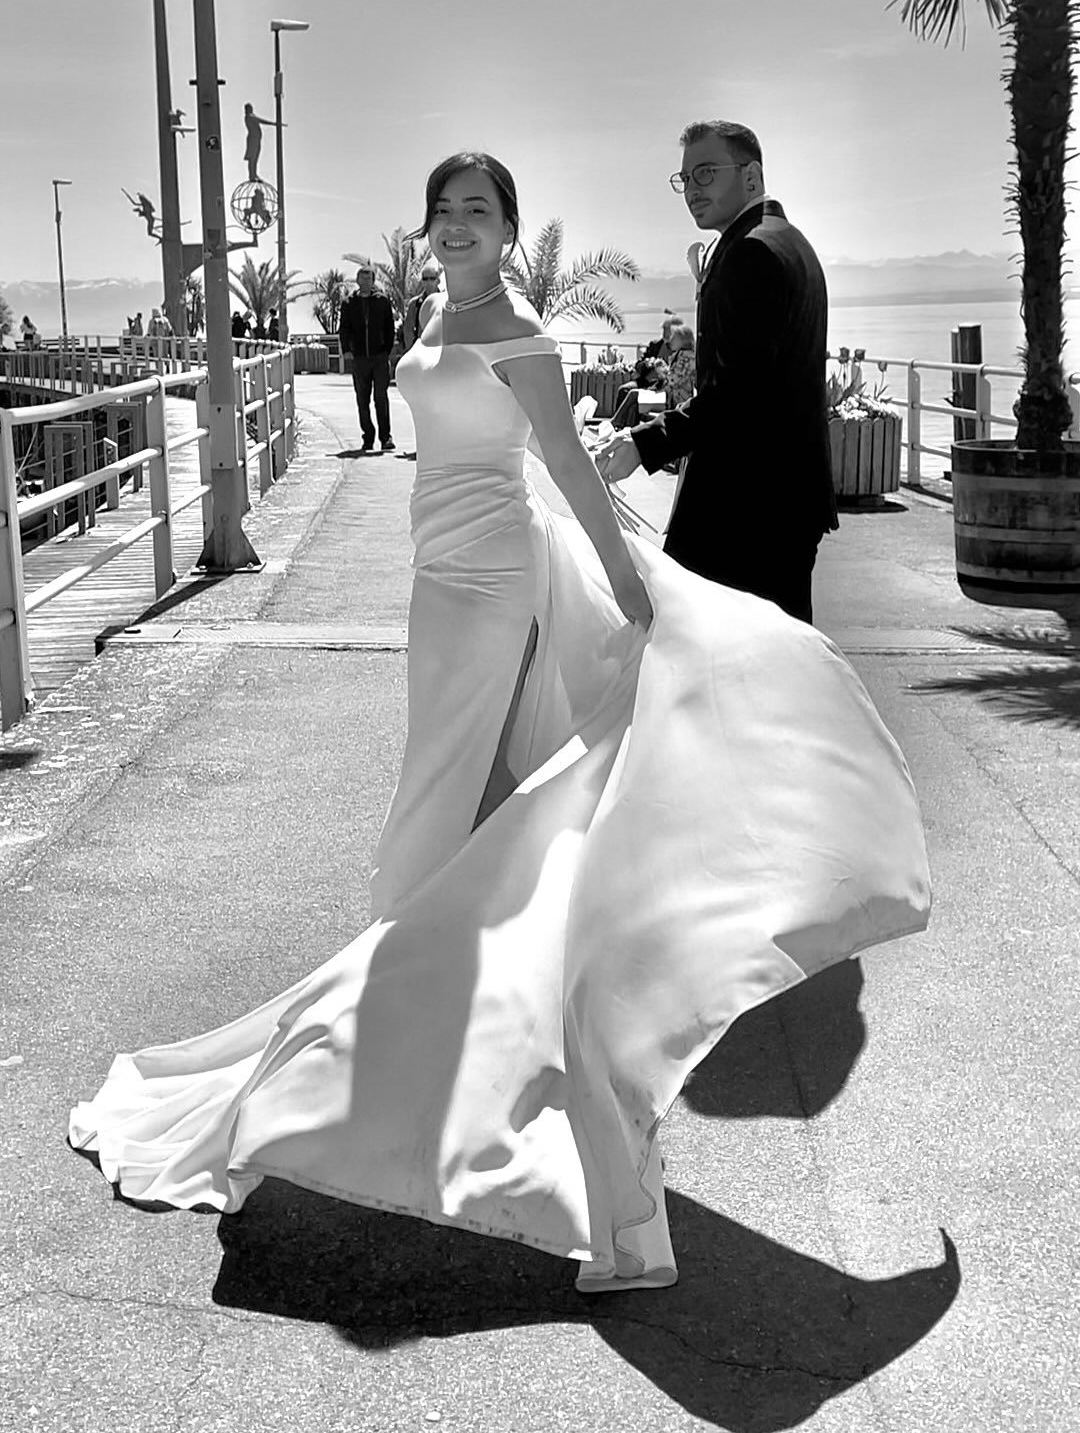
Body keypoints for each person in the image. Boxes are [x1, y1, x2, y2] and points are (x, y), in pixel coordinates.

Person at [70, 148, 929, 1295]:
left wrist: (636, 595)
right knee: (458, 843)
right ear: (427, 229)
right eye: (443, 209)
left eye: (479, 209)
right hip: (440, 588)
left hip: (489, 595)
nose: (457, 224)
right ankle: (428, 1095)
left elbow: (567, 463)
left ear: (512, 229)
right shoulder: (442, 307)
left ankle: (434, 1112)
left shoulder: (512, 320)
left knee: (435, 846)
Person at [597, 121, 838, 625]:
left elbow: (736, 396)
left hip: (744, 513)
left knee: (711, 667)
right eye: (684, 178)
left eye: (706, 173)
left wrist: (645, 443)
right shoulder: (792, 243)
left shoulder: (750, 252)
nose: (691, 190)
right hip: (784, 503)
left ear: (751, 177)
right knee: (779, 673)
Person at [338, 263, 396, 452]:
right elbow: (344, 329)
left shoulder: (382, 301)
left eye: (369, 278)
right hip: (360, 358)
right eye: (362, 278)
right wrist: (347, 349)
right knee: (362, 399)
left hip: (379, 357)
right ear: (357, 280)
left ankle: (385, 437)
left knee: (381, 398)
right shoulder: (348, 303)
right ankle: (368, 437)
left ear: (373, 281)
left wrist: (386, 350)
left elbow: (389, 328)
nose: (365, 281)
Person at [402, 261, 442, 350]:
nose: (428, 282)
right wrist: (412, 351)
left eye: (432, 278)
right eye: (425, 279)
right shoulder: (414, 304)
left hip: (441, 350)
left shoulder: (445, 301)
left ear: (438, 281)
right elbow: (408, 330)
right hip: (421, 350)